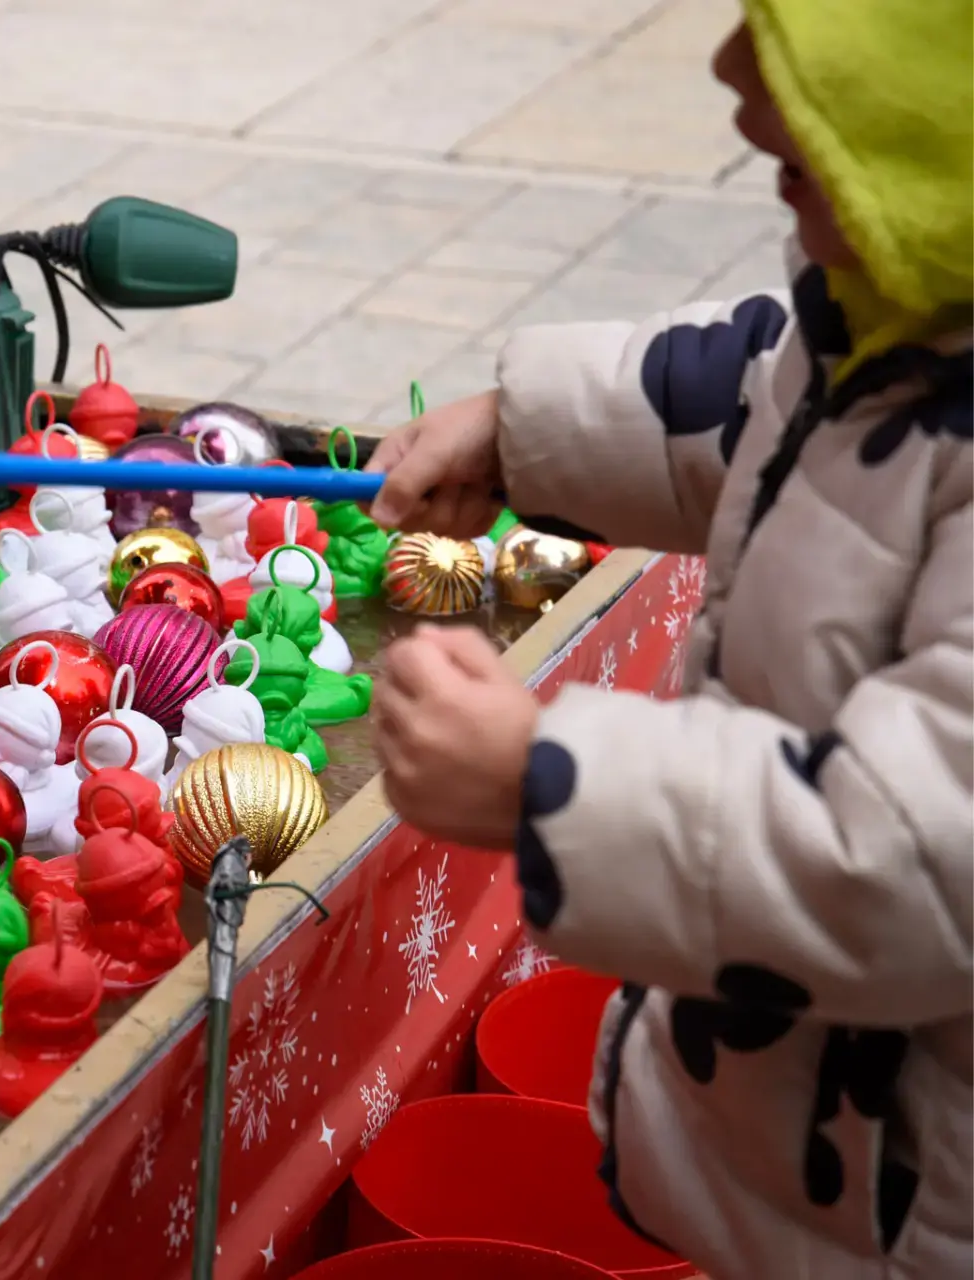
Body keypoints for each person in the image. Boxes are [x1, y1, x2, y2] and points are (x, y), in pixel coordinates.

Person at [364, 5, 971, 1277]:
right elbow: (762, 392)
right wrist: (526, 428)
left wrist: (550, 785)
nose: (732, 77)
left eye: (811, 59)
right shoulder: (899, 305)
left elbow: (911, 854)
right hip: (813, 1152)